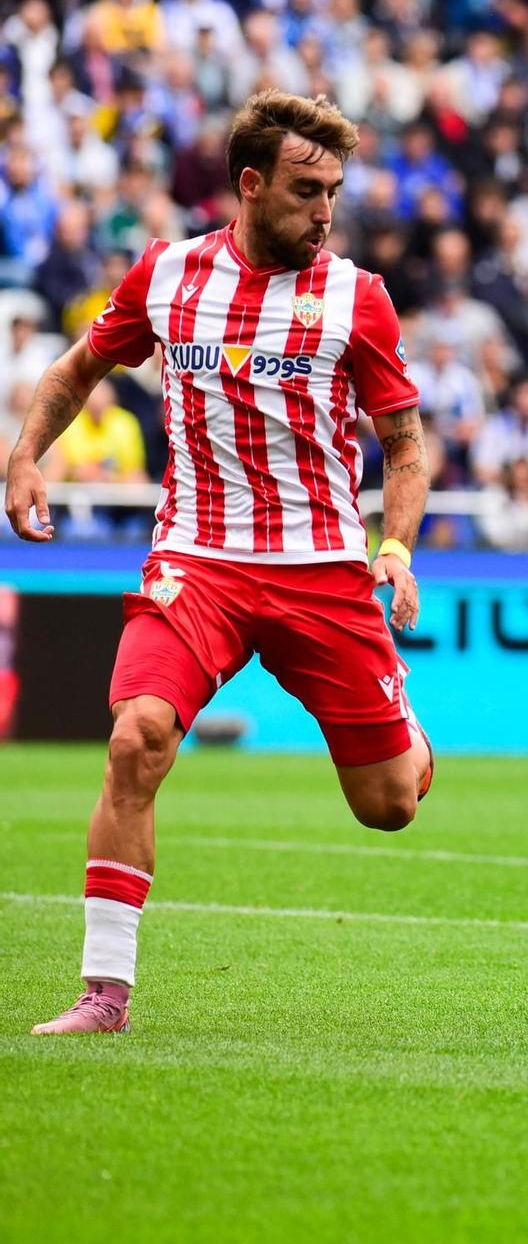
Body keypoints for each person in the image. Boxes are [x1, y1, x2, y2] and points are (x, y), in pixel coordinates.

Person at [3, 91, 435, 1036]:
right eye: (307, 189)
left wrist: (394, 546)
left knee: (389, 804)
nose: (326, 212)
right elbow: (78, 369)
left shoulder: (357, 298)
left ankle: (414, 746)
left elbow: (404, 449)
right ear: (250, 183)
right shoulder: (166, 274)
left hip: (323, 566)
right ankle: (104, 993)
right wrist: (26, 452)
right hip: (196, 560)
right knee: (136, 739)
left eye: (336, 191)